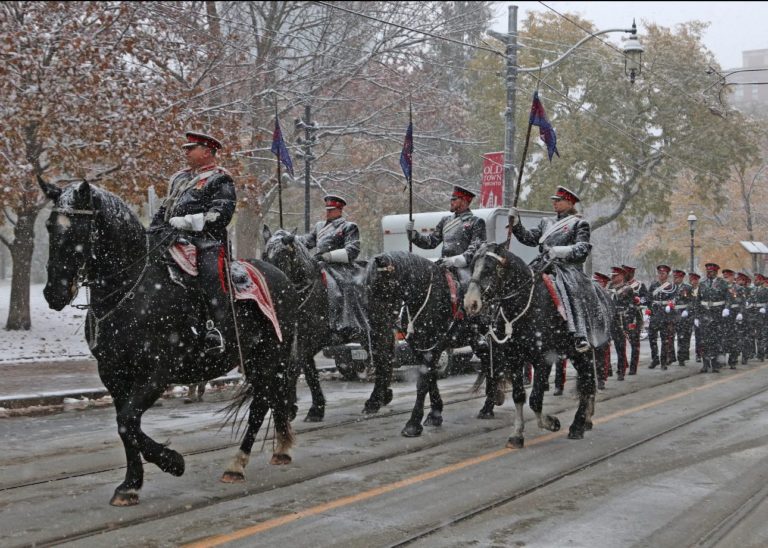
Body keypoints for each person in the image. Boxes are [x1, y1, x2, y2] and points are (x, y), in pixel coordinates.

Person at [150, 131, 236, 353]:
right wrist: (152, 229)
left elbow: (220, 215)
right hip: (171, 237)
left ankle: (215, 327)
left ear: (207, 152)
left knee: (210, 272)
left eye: (191, 148)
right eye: (186, 149)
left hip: (205, 241)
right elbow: (166, 208)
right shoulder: (180, 178)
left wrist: (188, 222)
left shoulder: (220, 179)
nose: (186, 152)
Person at [508, 186, 609, 353]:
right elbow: (530, 239)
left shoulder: (579, 223)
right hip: (543, 264)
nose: (554, 203)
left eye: (558, 200)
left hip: (567, 268)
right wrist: (517, 224)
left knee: (571, 289)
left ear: (570, 203)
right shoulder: (546, 222)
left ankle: (580, 333)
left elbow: (583, 248)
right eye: (554, 200)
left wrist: (561, 251)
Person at [299, 194, 363, 337]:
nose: (328, 213)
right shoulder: (319, 226)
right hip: (319, 265)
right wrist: (291, 239)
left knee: (346, 286)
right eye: (327, 210)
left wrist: (328, 256)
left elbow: (352, 250)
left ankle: (347, 324)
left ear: (339, 210)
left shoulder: (348, 227)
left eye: (331, 210)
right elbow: (307, 241)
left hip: (340, 267)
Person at [406, 185, 486, 286]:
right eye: (451, 199)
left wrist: (454, 261)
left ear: (464, 201)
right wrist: (413, 234)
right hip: (443, 267)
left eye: (454, 199)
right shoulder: (445, 221)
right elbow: (430, 242)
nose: (451, 202)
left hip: (464, 271)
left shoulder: (476, 222)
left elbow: (475, 250)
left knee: (465, 289)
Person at [698, 263, 731, 373]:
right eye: (707, 271)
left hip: (717, 314)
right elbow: (698, 301)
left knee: (716, 340)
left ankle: (715, 364)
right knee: (704, 340)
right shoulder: (702, 284)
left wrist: (726, 308)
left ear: (716, 272)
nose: (709, 273)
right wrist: (697, 316)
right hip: (704, 314)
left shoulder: (723, 283)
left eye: (711, 272)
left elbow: (728, 298)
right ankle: (705, 364)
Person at [647, 264, 677, 369]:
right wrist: (649, 308)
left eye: (663, 273)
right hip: (655, 314)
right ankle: (655, 359)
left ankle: (663, 361)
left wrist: (670, 305)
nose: (661, 275)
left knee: (665, 340)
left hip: (666, 315)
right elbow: (649, 298)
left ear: (667, 274)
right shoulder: (653, 285)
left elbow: (675, 298)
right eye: (659, 273)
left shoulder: (672, 286)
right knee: (652, 338)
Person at [607, 267, 633, 380]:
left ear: (622, 276)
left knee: (620, 346)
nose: (612, 277)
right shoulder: (609, 288)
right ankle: (607, 370)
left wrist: (629, 321)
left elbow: (630, 306)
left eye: (615, 275)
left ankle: (621, 370)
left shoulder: (627, 289)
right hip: (610, 320)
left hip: (621, 320)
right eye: (612, 275)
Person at [622, 264, 647, 375]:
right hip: (621, 316)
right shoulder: (619, 285)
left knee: (634, 343)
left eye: (625, 272)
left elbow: (646, 298)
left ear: (631, 273)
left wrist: (639, 300)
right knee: (620, 343)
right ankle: (623, 364)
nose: (624, 275)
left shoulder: (639, 285)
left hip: (634, 317)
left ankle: (633, 367)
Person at [672, 269, 694, 367]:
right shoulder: (671, 287)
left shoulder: (688, 287)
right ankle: (671, 357)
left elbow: (692, 301)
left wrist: (687, 310)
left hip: (683, 315)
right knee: (670, 337)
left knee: (683, 337)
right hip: (672, 314)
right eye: (674, 277)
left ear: (681, 278)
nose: (675, 279)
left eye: (677, 277)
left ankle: (682, 357)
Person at [688, 272, 702, 362]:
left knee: (699, 336)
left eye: (694, 280)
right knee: (687, 335)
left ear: (697, 281)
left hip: (698, 315)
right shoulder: (688, 290)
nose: (692, 282)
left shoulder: (701, 289)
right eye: (691, 280)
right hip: (689, 315)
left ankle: (699, 354)